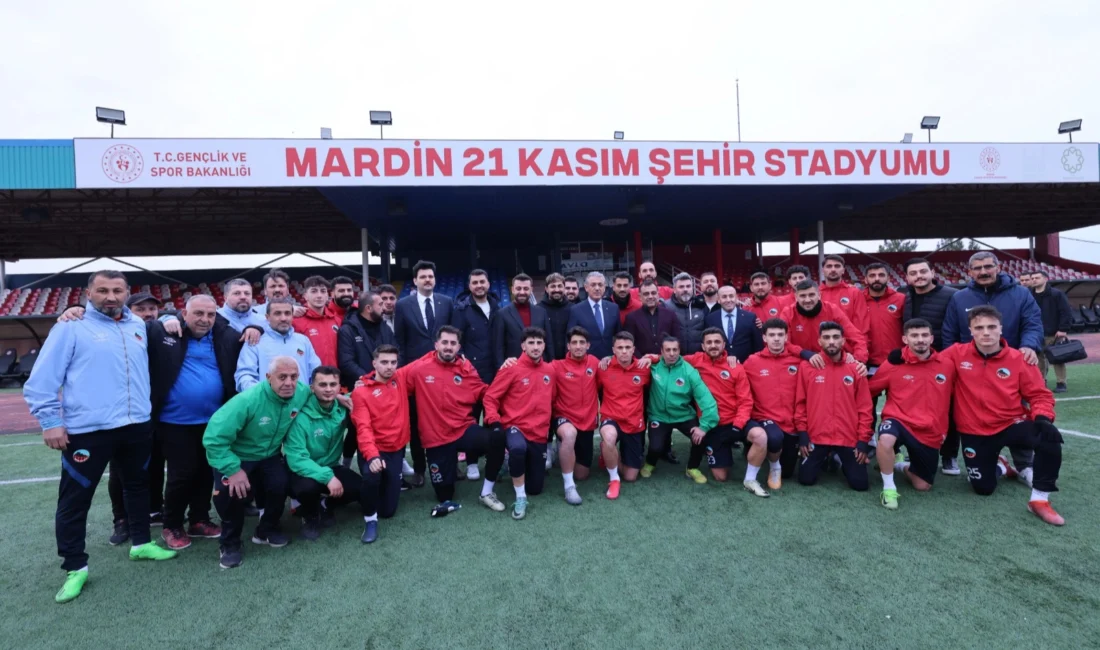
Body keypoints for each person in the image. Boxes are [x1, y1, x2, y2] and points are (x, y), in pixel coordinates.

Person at [24, 270, 178, 603]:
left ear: (127, 293)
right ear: (88, 293)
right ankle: (75, 566)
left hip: (136, 425)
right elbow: (42, 379)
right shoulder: (71, 326)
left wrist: (169, 317)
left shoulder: (138, 326)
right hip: (88, 431)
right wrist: (50, 421)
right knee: (75, 499)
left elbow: (169, 323)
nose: (111, 296)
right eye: (103, 290)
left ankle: (141, 543)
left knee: (138, 487)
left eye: (117, 290)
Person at [944, 306, 1064, 525]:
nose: (986, 332)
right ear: (970, 330)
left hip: (1011, 423)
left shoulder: (1019, 358)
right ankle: (1002, 467)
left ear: (1001, 328)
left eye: (991, 327)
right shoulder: (956, 354)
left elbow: (1039, 394)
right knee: (983, 489)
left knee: (1049, 437)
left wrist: (1043, 418)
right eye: (979, 328)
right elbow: (928, 365)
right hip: (974, 429)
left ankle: (1039, 500)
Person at [149, 295, 242, 551]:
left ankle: (199, 519)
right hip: (175, 421)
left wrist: (254, 328)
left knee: (206, 472)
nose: (205, 319)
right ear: (184, 314)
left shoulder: (223, 337)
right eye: (198, 313)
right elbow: (145, 325)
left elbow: (249, 331)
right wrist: (165, 319)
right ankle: (172, 524)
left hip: (214, 421)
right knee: (181, 474)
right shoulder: (168, 333)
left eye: (210, 314)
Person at [942, 252, 1044, 479]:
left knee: (1019, 411)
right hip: (972, 370)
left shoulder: (1021, 294)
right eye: (977, 268)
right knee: (973, 414)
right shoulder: (960, 298)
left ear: (998, 267)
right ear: (970, 272)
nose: (983, 272)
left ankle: (1024, 464)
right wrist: (952, 366)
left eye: (988, 266)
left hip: (1013, 367)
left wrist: (1028, 345)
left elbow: (1033, 323)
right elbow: (950, 333)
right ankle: (994, 461)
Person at [204, 356, 310, 569]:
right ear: (268, 377)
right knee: (231, 493)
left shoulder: (301, 392)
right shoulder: (247, 400)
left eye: (293, 377)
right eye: (282, 377)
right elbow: (214, 439)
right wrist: (233, 469)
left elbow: (319, 394)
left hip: (269, 454)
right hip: (237, 455)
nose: (289, 382)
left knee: (280, 484)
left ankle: (266, 530)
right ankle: (230, 543)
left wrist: (341, 397)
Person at [404, 326, 507, 516]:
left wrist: (508, 386)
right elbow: (393, 380)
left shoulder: (466, 368)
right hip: (436, 439)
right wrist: (365, 382)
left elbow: (484, 392)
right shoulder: (419, 368)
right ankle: (449, 468)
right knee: (444, 496)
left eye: (453, 343)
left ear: (459, 347)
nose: (448, 347)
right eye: (444, 342)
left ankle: (486, 492)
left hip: (463, 429)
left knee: (497, 438)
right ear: (436, 344)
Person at [867, 319, 956, 510]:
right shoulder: (893, 363)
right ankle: (889, 488)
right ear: (905, 339)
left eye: (924, 335)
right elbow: (869, 390)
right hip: (898, 420)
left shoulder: (947, 365)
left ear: (931, 338)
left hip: (929, 430)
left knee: (922, 486)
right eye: (914, 336)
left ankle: (898, 464)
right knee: (886, 439)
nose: (920, 339)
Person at [105, 292, 166, 544]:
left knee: (155, 463)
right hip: (122, 413)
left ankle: (154, 509)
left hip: (154, 411)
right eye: (141, 309)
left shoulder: (161, 331)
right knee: (120, 470)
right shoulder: (118, 332)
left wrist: (171, 318)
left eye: (153, 309)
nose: (149, 313)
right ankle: (121, 519)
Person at [285, 367, 370, 541]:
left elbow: (364, 395)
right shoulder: (299, 417)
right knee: (308, 488)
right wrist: (328, 477)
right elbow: (297, 459)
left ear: (340, 387)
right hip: (303, 470)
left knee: (361, 488)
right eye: (322, 385)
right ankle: (310, 516)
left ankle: (325, 504)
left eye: (333, 384)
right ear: (312, 387)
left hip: (330, 466)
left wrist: (364, 386)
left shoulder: (342, 406)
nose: (329, 389)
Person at [483, 327, 555, 520]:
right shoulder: (511, 367)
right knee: (517, 448)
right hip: (515, 427)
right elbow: (490, 397)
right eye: (531, 343)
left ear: (544, 346)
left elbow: (553, 399)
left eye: (539, 343)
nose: (535, 347)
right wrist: (494, 420)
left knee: (536, 488)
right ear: (523, 346)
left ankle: (510, 465)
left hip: (539, 432)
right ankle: (520, 497)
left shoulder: (550, 371)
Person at [794, 321, 873, 491]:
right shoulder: (807, 367)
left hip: (847, 437)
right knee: (806, 479)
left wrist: (862, 441)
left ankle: (838, 459)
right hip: (817, 436)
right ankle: (825, 457)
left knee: (860, 485)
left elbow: (865, 408)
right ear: (819, 341)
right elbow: (800, 403)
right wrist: (803, 434)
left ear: (843, 341)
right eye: (827, 337)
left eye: (836, 337)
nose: (831, 341)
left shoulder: (856, 368)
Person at [394, 260, 453, 487]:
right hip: (415, 375)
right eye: (423, 277)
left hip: (443, 373)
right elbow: (400, 340)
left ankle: (449, 464)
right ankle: (419, 469)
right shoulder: (403, 305)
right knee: (417, 422)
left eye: (430, 276)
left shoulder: (446, 302)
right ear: (415, 280)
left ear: (435, 279)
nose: (427, 280)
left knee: (446, 420)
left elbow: (453, 336)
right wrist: (402, 373)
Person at [901, 257, 961, 475]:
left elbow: (955, 328)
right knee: (913, 407)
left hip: (942, 361)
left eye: (923, 271)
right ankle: (915, 450)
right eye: (913, 273)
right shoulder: (904, 296)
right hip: (912, 362)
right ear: (907, 277)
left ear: (932, 273)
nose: (919, 276)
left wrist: (948, 358)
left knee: (948, 408)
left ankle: (949, 455)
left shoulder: (952, 295)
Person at [679, 328, 759, 490]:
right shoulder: (695, 360)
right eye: (709, 342)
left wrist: (738, 425)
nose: (713, 345)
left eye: (717, 342)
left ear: (724, 344)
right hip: (713, 425)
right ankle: (722, 451)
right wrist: (651, 358)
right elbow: (671, 358)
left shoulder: (735, 367)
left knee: (760, 436)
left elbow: (745, 401)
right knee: (720, 477)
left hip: (735, 422)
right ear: (703, 346)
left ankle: (751, 477)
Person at [351, 344, 413, 534]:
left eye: (393, 362)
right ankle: (370, 519)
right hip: (375, 449)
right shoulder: (361, 391)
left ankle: (373, 490)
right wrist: (372, 456)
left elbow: (424, 360)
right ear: (374, 363)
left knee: (387, 511)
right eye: (384, 362)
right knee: (371, 477)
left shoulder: (400, 378)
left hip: (396, 451)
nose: (389, 367)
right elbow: (363, 428)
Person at [743, 319, 811, 489]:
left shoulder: (798, 362)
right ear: (764, 338)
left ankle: (777, 460)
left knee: (788, 472)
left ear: (786, 337)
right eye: (771, 335)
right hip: (765, 418)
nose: (776, 339)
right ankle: (774, 467)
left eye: (780, 335)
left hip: (791, 423)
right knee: (774, 438)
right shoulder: (752, 361)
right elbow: (736, 379)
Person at [548, 327, 601, 504]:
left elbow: (617, 362)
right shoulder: (557, 366)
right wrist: (510, 361)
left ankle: (562, 450)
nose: (578, 346)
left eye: (582, 342)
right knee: (569, 435)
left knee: (582, 475)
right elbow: (534, 367)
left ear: (588, 345)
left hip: (587, 423)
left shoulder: (595, 363)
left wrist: (651, 358)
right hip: (564, 418)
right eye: (574, 343)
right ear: (568, 346)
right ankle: (569, 487)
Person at [596, 332, 652, 497]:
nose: (624, 351)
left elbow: (668, 359)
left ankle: (608, 454)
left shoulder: (644, 368)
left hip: (634, 423)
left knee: (630, 476)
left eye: (628, 347)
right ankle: (614, 479)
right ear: (613, 350)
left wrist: (652, 357)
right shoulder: (603, 368)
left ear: (634, 349)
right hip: (611, 418)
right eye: (620, 348)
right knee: (609, 436)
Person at [234, 297, 321, 392]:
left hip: (301, 400)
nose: (283, 318)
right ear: (267, 317)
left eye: (287, 313)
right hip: (267, 400)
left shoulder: (303, 340)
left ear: (292, 316)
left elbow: (316, 373)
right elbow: (244, 376)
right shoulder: (255, 341)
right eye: (277, 313)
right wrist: (262, 395)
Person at [779, 280, 868, 362]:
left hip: (829, 362)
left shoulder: (832, 310)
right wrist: (803, 353)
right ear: (796, 297)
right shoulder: (788, 313)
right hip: (800, 361)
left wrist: (858, 360)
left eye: (811, 295)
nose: (807, 300)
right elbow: (783, 342)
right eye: (803, 296)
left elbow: (856, 337)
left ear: (819, 295)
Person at [492, 273, 554, 370]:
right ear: (512, 290)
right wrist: (500, 368)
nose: (522, 292)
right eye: (518, 288)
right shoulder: (502, 314)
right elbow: (498, 346)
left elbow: (549, 342)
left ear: (531, 289)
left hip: (540, 366)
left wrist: (551, 365)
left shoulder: (542, 312)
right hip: (514, 367)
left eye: (526, 289)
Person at [337, 291, 395, 391]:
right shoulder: (348, 330)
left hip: (387, 385)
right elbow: (347, 363)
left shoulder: (385, 328)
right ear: (368, 308)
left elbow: (396, 352)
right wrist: (370, 379)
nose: (384, 308)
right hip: (361, 387)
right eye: (380, 304)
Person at [1029, 270, 1072, 392]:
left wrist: (1063, 329)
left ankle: (1061, 383)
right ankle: (1041, 382)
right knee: (1038, 360)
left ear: (1046, 279)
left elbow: (1065, 312)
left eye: (1037, 277)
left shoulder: (1056, 294)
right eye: (1032, 278)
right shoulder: (1029, 294)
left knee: (1057, 358)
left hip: (1053, 332)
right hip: (1035, 333)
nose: (1034, 280)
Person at [566, 272, 621, 360]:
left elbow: (618, 335)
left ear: (604, 287)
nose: (597, 288)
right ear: (586, 287)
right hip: (586, 361)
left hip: (610, 359)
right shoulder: (576, 310)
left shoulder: (613, 308)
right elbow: (571, 337)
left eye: (600, 285)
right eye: (593, 285)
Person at [862, 263, 905, 371]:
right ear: (866, 279)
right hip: (867, 362)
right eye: (872, 275)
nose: (877, 278)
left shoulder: (901, 299)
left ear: (888, 278)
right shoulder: (858, 300)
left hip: (897, 360)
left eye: (881, 275)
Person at [292, 276, 342, 367]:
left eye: (323, 291)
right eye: (314, 291)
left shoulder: (336, 320)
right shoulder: (296, 322)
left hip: (335, 374)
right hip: (309, 375)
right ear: (305, 296)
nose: (319, 295)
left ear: (327, 295)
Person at [623, 279, 682, 357]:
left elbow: (677, 340)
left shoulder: (670, 315)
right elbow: (629, 343)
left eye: (653, 293)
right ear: (640, 297)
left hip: (666, 361)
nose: (650, 296)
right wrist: (642, 359)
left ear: (658, 294)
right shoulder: (631, 318)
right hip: (641, 362)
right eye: (646, 294)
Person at [704, 285, 763, 362]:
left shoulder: (750, 317)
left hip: (746, 364)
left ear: (736, 298)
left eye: (731, 296)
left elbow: (758, 345)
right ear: (718, 299)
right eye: (724, 297)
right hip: (719, 364)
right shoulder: (710, 319)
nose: (728, 300)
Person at [819, 254, 869, 332]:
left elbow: (861, 324)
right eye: (829, 266)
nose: (833, 269)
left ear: (843, 270)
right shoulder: (815, 294)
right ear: (823, 271)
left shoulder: (855, 293)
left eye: (837, 266)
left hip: (849, 339)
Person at [664, 272, 707, 355]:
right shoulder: (665, 307)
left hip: (698, 357)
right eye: (681, 287)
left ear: (692, 288)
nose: (685, 289)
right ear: (674, 290)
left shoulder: (702, 306)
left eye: (688, 286)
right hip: (675, 357)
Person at [541, 273, 572, 360]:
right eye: (553, 286)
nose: (557, 289)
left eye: (559, 286)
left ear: (564, 288)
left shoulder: (573, 309)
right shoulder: (538, 310)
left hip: (569, 359)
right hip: (546, 360)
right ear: (546, 289)